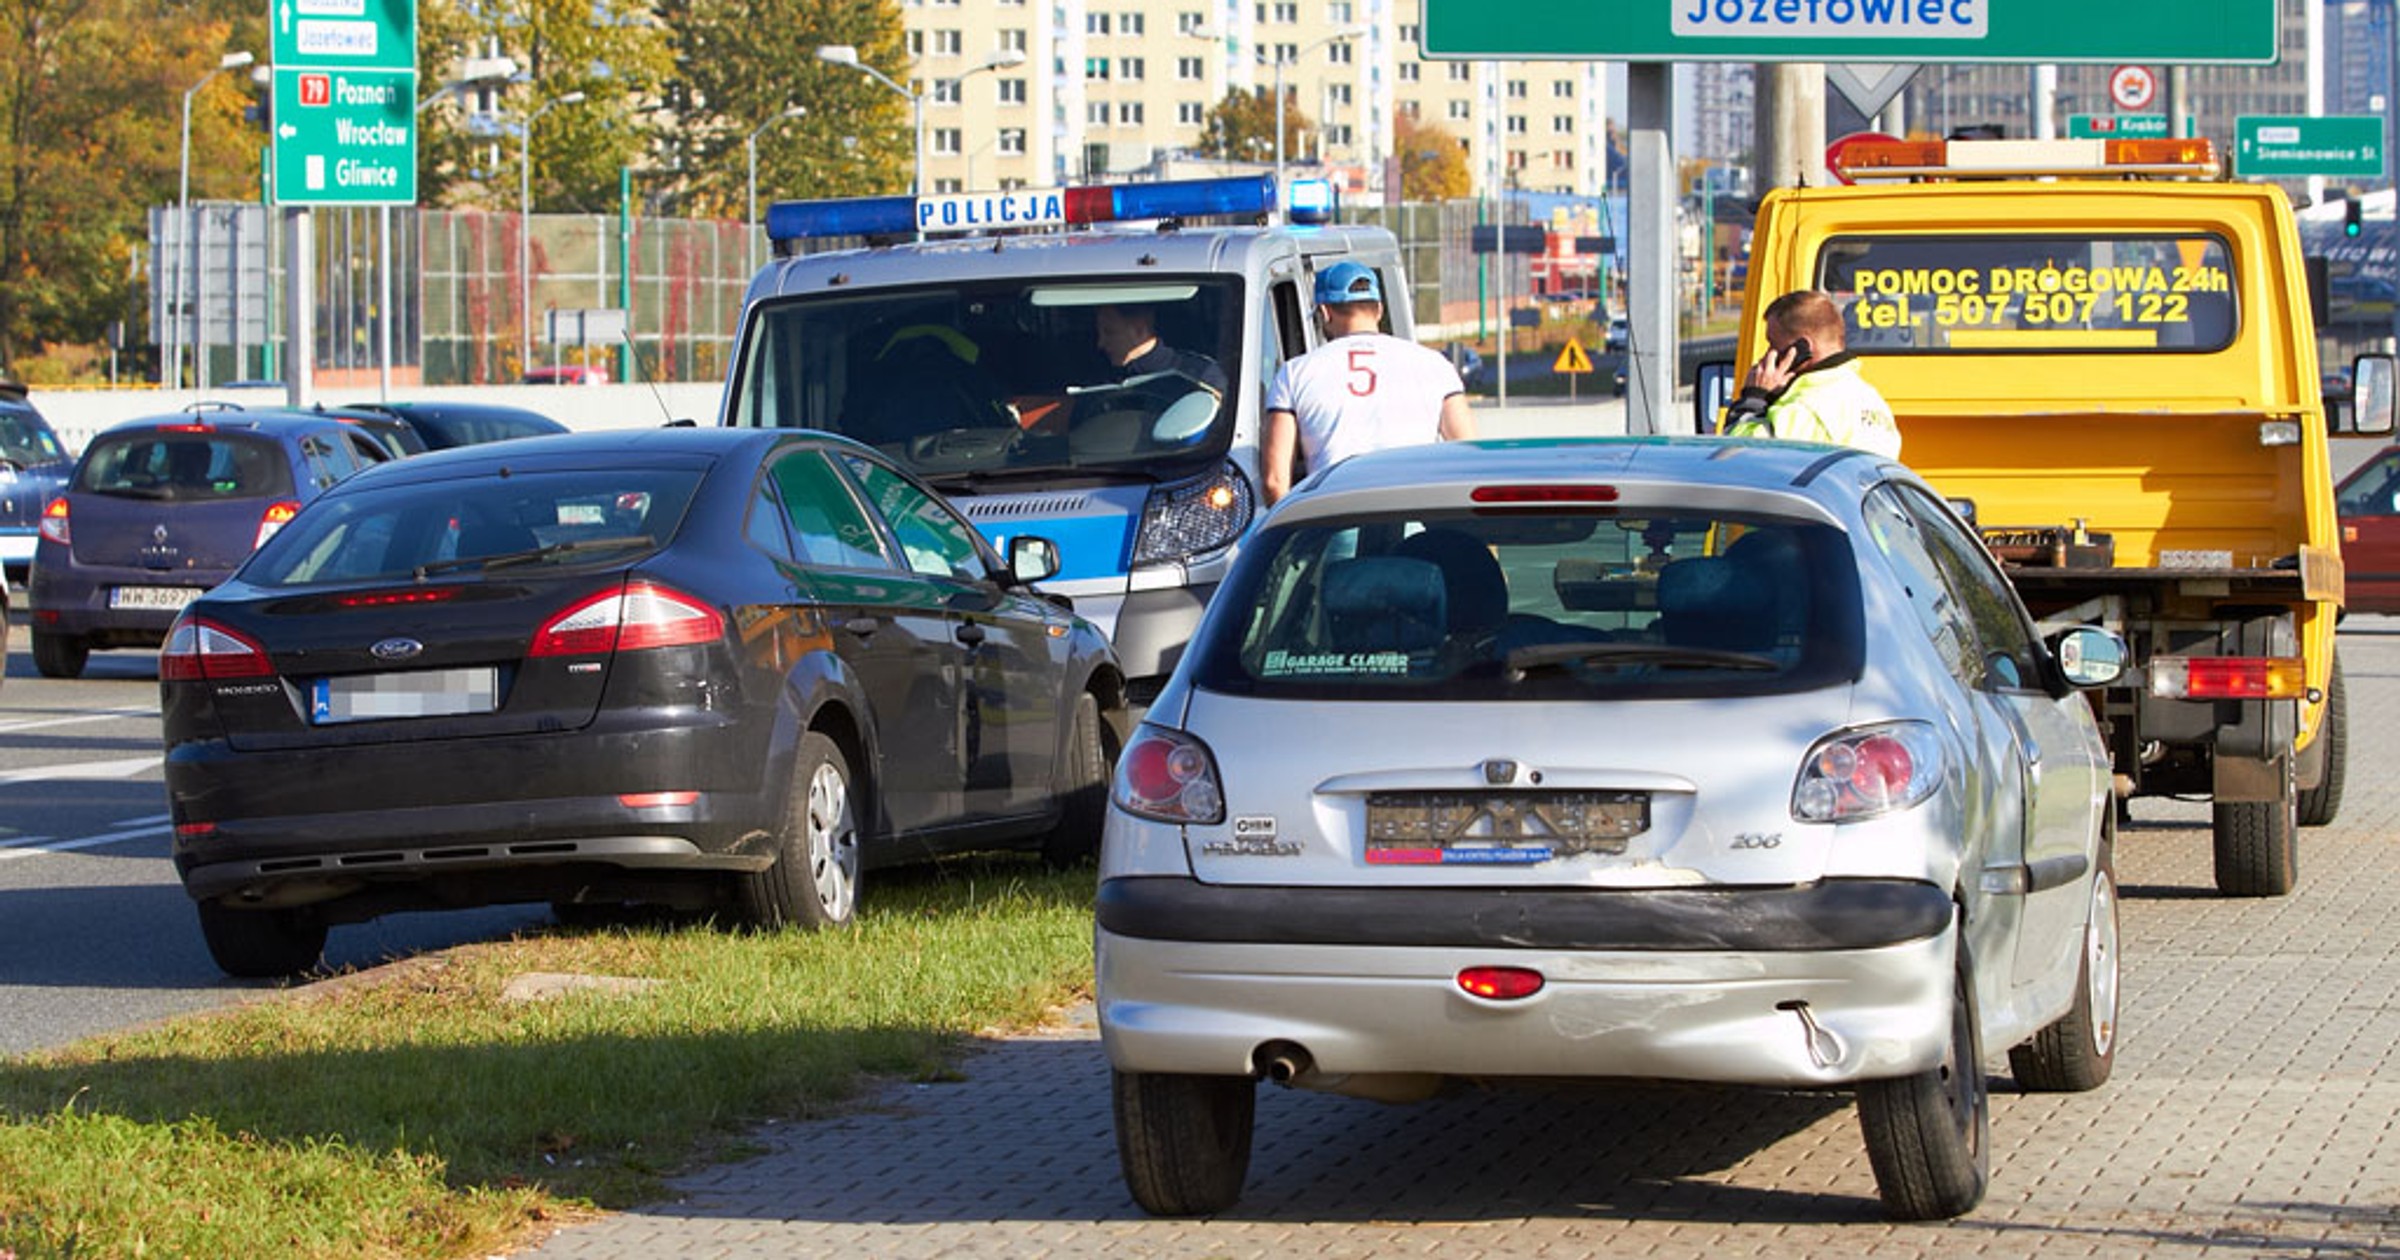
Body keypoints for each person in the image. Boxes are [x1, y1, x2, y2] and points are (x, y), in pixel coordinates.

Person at [1261, 260, 1477, 504]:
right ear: (1379, 310)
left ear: (1324, 312)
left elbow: (1274, 481)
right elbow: (1466, 455)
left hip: (1334, 514)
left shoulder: (1294, 373)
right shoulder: (1436, 365)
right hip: (1415, 510)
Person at [1722, 289, 1901, 458]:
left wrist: (1753, 399)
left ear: (1803, 347)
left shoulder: (1805, 407)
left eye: (1773, 344)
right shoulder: (1871, 399)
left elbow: (1738, 457)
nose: (1769, 354)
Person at [1094, 304, 1227, 395]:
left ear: (1139, 330)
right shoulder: (1100, 380)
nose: (1101, 343)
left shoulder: (1200, 375)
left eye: (1109, 332)